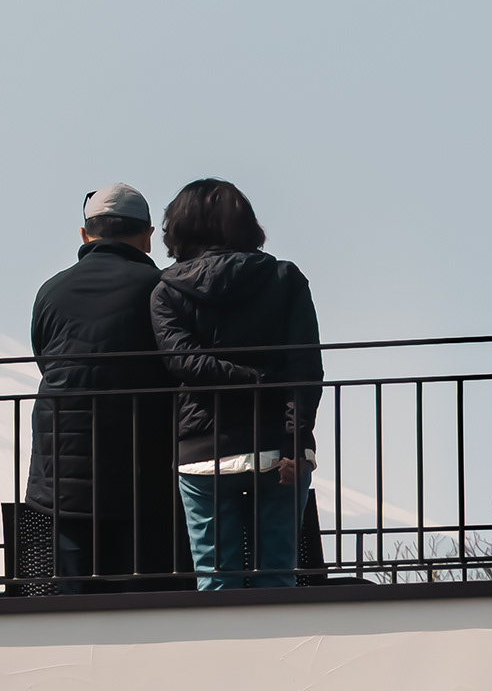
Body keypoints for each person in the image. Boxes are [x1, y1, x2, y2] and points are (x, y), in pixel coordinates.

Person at [149, 178, 323, 591]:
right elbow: (306, 368)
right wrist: (295, 443)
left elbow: (182, 361)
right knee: (278, 576)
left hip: (204, 451)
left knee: (215, 580)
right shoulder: (286, 279)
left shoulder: (166, 291)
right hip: (278, 445)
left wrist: (247, 379)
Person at [24, 184, 178, 591]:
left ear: (84, 235)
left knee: (74, 608)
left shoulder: (51, 291)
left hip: (63, 476)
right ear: (147, 237)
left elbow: (45, 357)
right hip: (144, 476)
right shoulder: (161, 289)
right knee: (148, 605)